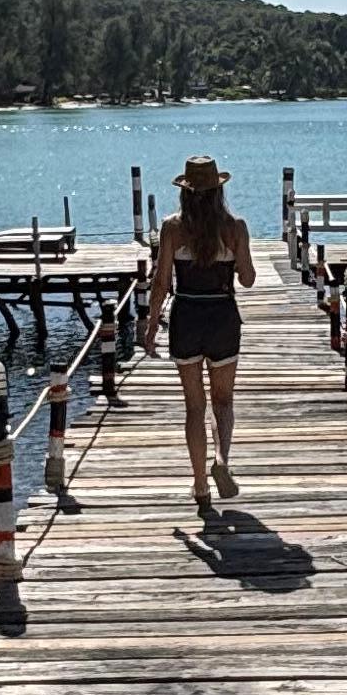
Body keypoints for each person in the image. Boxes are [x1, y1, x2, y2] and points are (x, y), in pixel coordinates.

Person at [141, 151, 255, 522]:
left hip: (187, 315)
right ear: (219, 190)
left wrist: (150, 324)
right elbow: (248, 278)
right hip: (222, 314)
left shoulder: (173, 228)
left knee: (194, 407)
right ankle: (221, 459)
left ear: (186, 191)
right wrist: (237, 258)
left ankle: (200, 486)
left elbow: (161, 283)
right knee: (223, 401)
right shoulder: (235, 227)